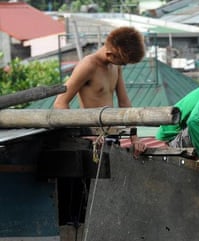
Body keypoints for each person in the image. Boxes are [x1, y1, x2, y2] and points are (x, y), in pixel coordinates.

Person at [53, 26, 147, 156]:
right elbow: (60, 102)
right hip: (92, 140)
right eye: (123, 62)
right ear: (110, 55)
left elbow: (124, 103)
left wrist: (134, 137)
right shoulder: (88, 65)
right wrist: (81, 135)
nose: (122, 65)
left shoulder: (115, 66)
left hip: (113, 137)